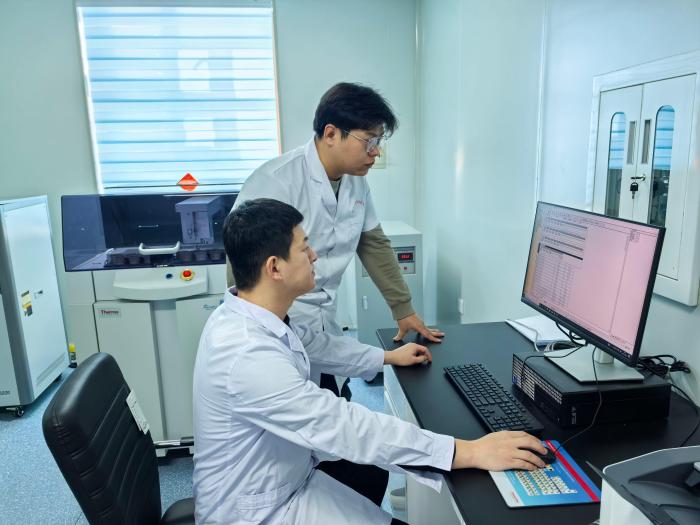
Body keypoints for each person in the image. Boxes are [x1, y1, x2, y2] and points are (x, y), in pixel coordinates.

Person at [193, 198, 548, 525]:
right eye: (304, 248)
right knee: (365, 456)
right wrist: (464, 452)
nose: (314, 256)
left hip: (286, 478)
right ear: (275, 268)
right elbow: (341, 425)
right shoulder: (245, 354)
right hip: (256, 511)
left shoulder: (253, 315)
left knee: (371, 473)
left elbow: (318, 345)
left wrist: (386, 357)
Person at [231, 82, 444, 396]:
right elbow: (242, 265)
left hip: (323, 323)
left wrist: (403, 309)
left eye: (379, 141)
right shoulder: (276, 182)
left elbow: (373, 244)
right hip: (275, 327)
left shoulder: (356, 183)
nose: (376, 152)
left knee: (335, 392)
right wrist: (258, 334)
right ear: (331, 134)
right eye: (369, 141)